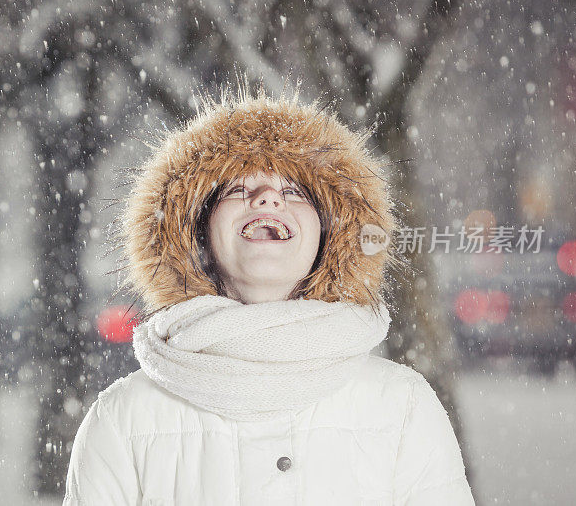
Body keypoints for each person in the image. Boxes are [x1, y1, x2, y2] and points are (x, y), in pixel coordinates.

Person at [62, 80, 475, 505]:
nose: (267, 199)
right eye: (238, 188)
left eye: (294, 191)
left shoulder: (402, 407)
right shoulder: (121, 421)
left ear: (332, 235)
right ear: (197, 232)